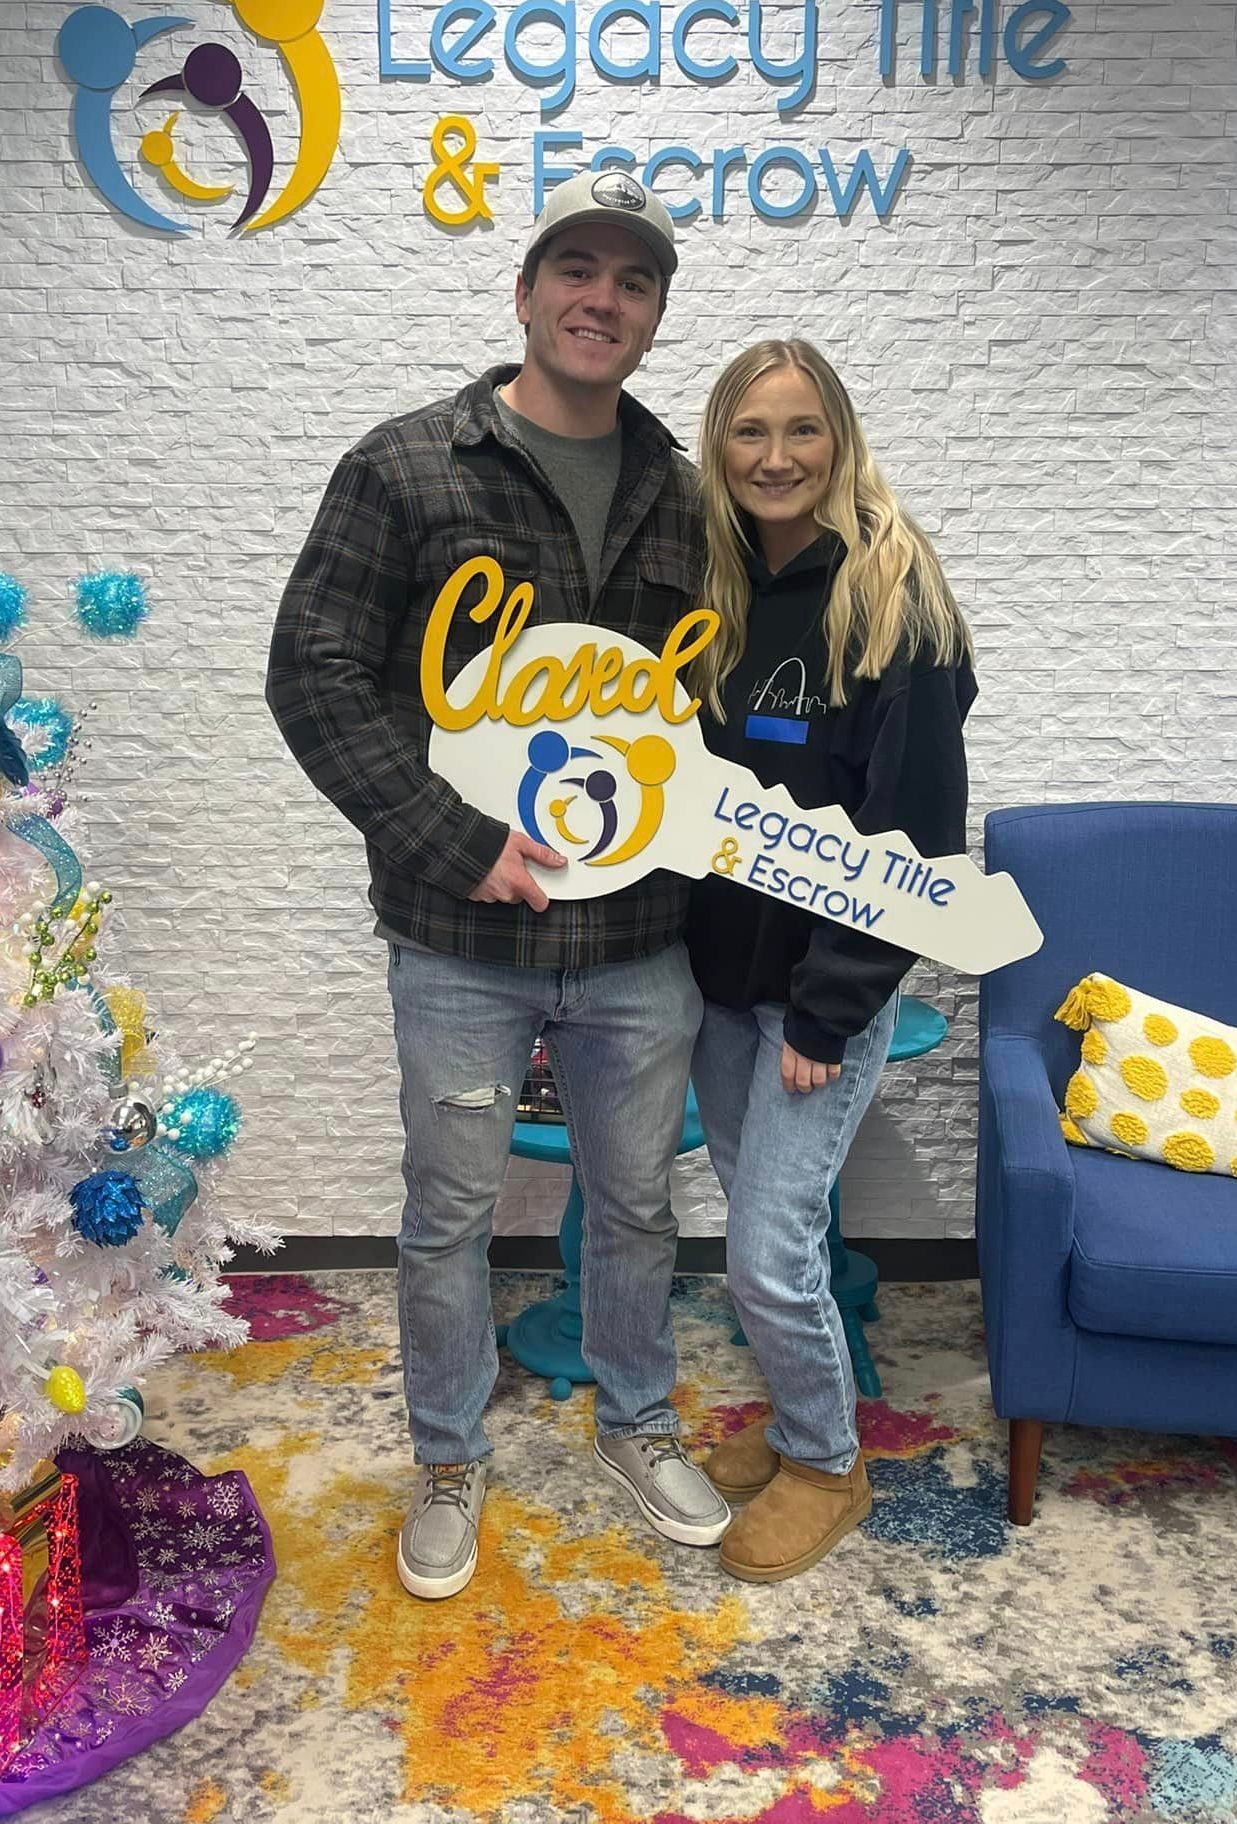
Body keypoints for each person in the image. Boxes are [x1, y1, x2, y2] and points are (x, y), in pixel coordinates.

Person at [265, 170, 730, 1602]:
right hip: (459, 934)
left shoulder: (686, 492)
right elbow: (314, 673)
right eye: (576, 270)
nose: (604, 300)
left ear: (655, 314)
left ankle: (637, 1422)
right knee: (450, 1212)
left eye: (633, 281)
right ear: (525, 293)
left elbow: (720, 701)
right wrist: (455, 838)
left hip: (645, 941)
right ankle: (448, 1455)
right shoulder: (409, 467)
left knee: (640, 1205)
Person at [685, 339, 975, 1583]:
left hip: (818, 1000)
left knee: (765, 1244)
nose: (777, 457)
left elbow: (915, 839)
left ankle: (824, 1461)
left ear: (840, 439)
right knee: (770, 1229)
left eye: (802, 430)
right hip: (715, 983)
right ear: (719, 448)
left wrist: (829, 1009)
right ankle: (802, 1419)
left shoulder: (897, 602)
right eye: (751, 432)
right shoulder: (718, 586)